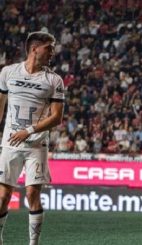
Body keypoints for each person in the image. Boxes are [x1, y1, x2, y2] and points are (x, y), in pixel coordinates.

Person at [0, 31, 64, 245]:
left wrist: (28, 130)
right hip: (10, 143)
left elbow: (56, 117)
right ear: (35, 48)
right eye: (49, 48)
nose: (52, 53)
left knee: (32, 195)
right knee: (2, 197)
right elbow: (0, 105)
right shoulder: (8, 72)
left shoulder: (54, 80)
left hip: (37, 145)